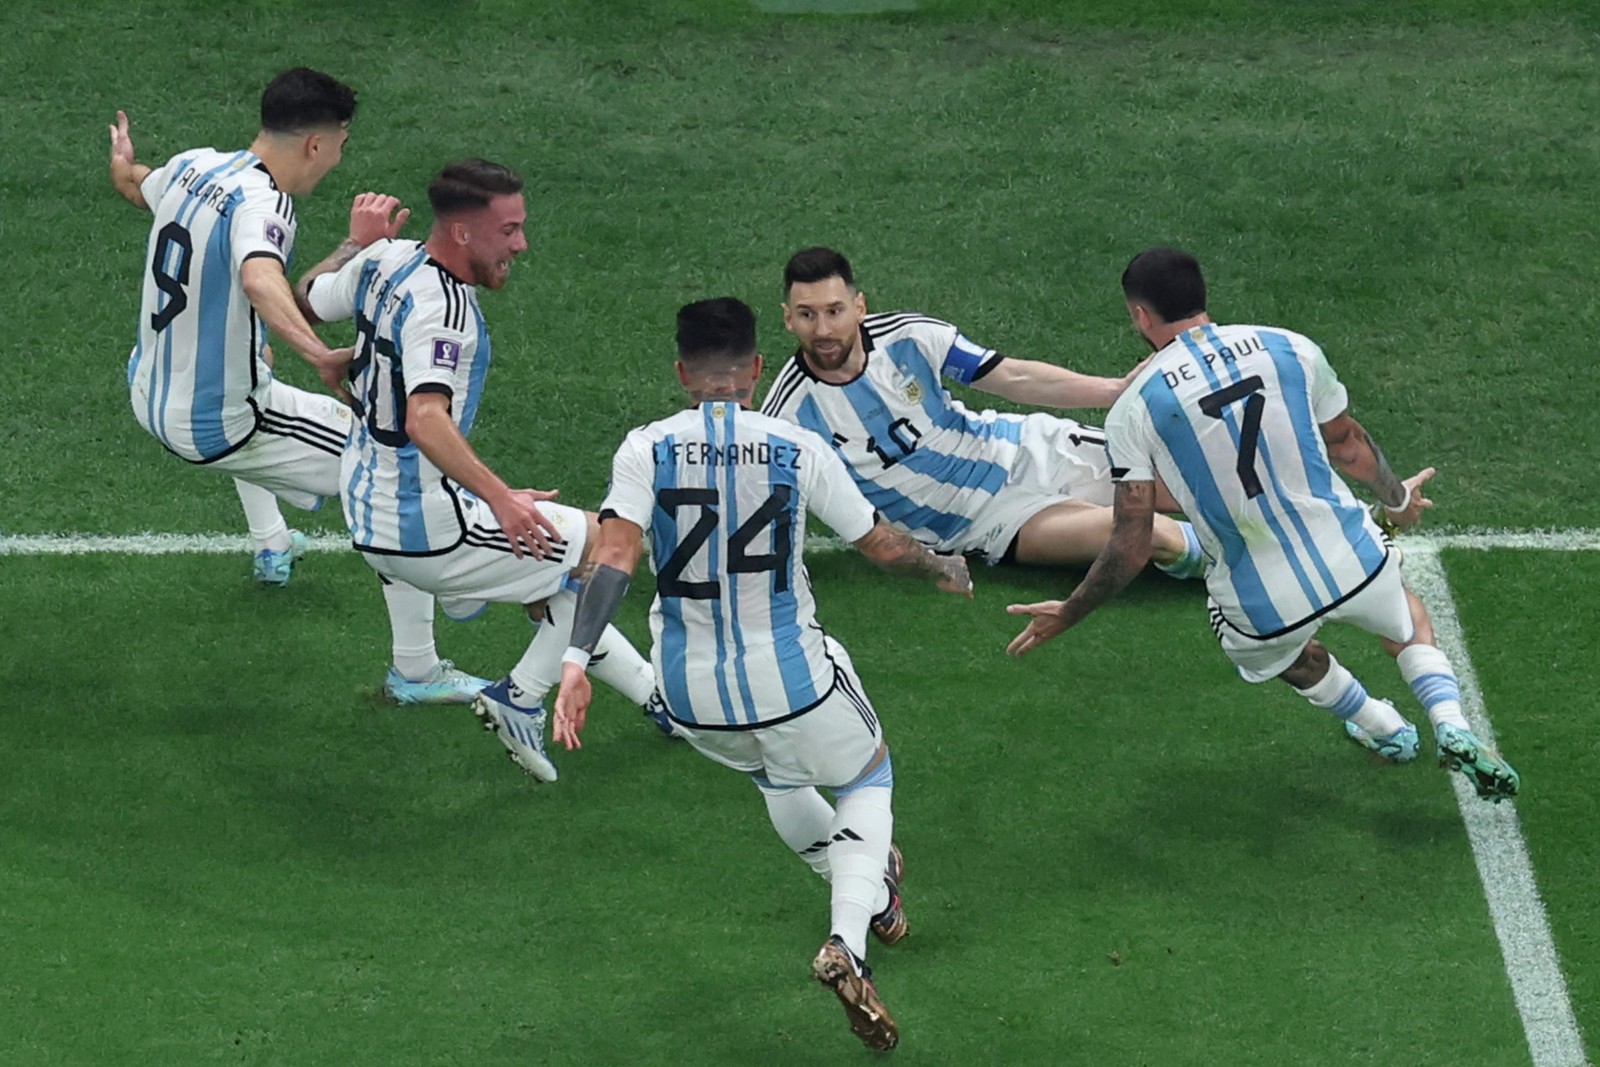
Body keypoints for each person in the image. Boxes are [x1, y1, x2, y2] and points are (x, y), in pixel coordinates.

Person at [550, 298, 974, 1050]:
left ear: (683, 373)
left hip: (689, 695)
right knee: (869, 776)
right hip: (793, 677)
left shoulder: (645, 448)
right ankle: (850, 937)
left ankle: (872, 888)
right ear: (753, 370)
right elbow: (878, 545)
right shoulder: (792, 444)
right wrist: (939, 564)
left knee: (776, 774)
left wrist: (578, 663)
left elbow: (613, 557)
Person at [1006, 246, 1519, 801]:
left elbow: (1132, 536)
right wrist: (1396, 502)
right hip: (1355, 561)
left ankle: (1381, 726)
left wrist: (1071, 609)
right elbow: (1349, 446)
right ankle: (1451, 722)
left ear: (1140, 316)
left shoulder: (1132, 410)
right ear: (1203, 295)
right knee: (1404, 613)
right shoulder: (1289, 347)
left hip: (1262, 604)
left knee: (1282, 655)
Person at [107, 68, 485, 706]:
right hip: (215, 421)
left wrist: (122, 159)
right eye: (341, 143)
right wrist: (319, 354)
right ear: (316, 142)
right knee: (396, 476)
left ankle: (272, 544)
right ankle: (418, 669)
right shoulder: (264, 203)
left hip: (146, 383)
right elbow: (261, 280)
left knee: (251, 359)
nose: (339, 158)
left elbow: (132, 181)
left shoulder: (196, 166)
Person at [298, 158, 666, 782]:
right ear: (464, 233)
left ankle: (660, 702)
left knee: (552, 570)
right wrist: (498, 498)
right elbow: (425, 418)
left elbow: (308, 297)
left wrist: (354, 243)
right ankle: (519, 697)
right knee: (607, 545)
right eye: (510, 230)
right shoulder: (447, 312)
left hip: (367, 504)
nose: (521, 244)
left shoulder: (385, 259)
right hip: (422, 529)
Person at [759, 246, 1206, 577]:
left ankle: (1272, 540)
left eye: (834, 311)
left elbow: (1012, 377)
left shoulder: (910, 337)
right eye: (807, 315)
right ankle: (1242, 572)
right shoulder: (787, 418)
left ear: (859, 307)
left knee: (1198, 481)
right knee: (1149, 534)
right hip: (996, 522)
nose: (823, 330)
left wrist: (1115, 390)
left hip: (1029, 450)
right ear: (787, 319)